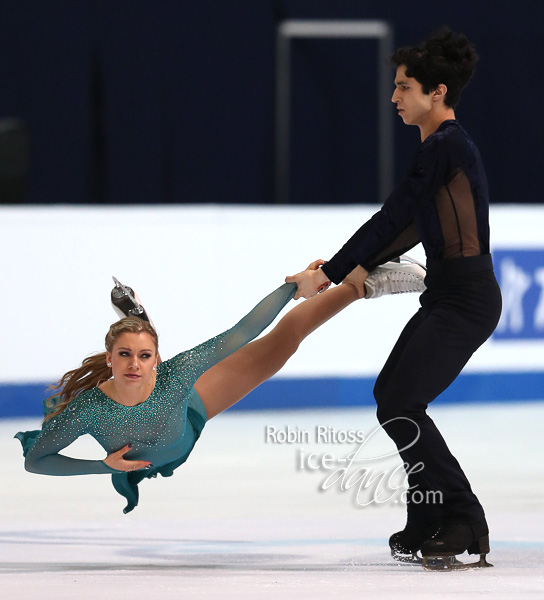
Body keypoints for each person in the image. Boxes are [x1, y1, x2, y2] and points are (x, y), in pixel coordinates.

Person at [286, 28, 501, 570]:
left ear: (438, 92)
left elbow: (393, 215)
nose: (394, 97)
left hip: (467, 299)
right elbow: (408, 225)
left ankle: (460, 516)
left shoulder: (447, 144)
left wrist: (332, 273)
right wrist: (340, 270)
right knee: (391, 395)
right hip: (449, 294)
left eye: (404, 87)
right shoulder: (442, 149)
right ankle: (428, 515)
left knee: (402, 402)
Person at [15, 258, 425, 514]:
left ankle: (361, 282)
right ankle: (137, 321)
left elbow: (243, 330)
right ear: (108, 359)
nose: (134, 365)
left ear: (156, 360)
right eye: (123, 355)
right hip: (169, 417)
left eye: (143, 356)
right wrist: (101, 466)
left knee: (283, 343)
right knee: (147, 352)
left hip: (192, 406)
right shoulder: (90, 410)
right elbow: (36, 460)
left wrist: (294, 286)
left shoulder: (175, 375)